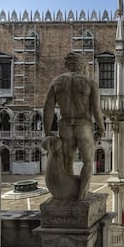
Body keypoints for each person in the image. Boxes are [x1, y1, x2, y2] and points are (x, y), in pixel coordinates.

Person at [43, 52, 105, 200]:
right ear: (83, 66)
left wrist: (47, 131)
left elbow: (48, 108)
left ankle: (68, 195)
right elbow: (96, 110)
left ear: (68, 66)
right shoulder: (89, 83)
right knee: (88, 161)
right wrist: (101, 127)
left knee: (67, 161)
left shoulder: (57, 82)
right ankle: (82, 196)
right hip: (83, 125)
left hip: (64, 125)